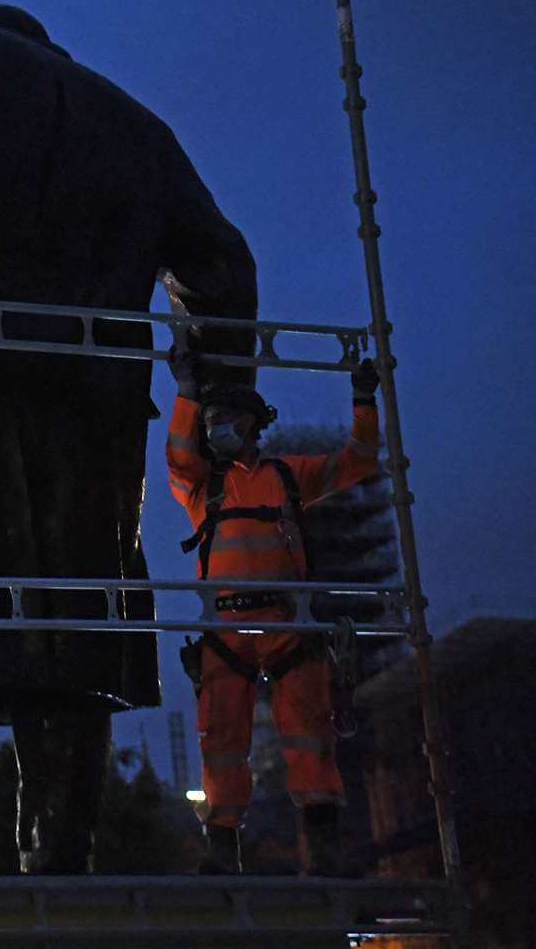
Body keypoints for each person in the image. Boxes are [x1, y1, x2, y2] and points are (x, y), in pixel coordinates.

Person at [167, 346, 382, 875]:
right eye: (210, 421)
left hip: (287, 624)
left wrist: (362, 399)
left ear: (251, 424)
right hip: (227, 630)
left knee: (310, 730)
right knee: (221, 737)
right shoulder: (201, 484)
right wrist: (186, 395)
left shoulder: (287, 476)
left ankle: (324, 845)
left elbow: (358, 459)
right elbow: (177, 454)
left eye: (224, 419)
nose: (215, 429)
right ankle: (222, 849)